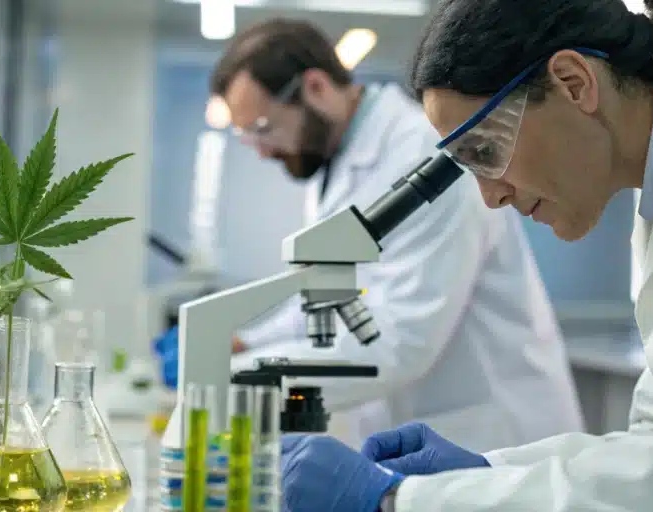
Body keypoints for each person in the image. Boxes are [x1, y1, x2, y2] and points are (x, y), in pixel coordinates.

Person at [278, 0, 653, 511]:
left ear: (575, 82)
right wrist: (489, 473)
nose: (490, 194)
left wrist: (398, 500)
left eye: (485, 150)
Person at [203, 18, 585, 452]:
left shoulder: (425, 156)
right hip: (419, 434)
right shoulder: (333, 164)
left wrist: (242, 376)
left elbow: (404, 338)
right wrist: (241, 343)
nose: (261, 151)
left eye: (263, 129)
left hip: (495, 435)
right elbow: (329, 299)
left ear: (315, 88)